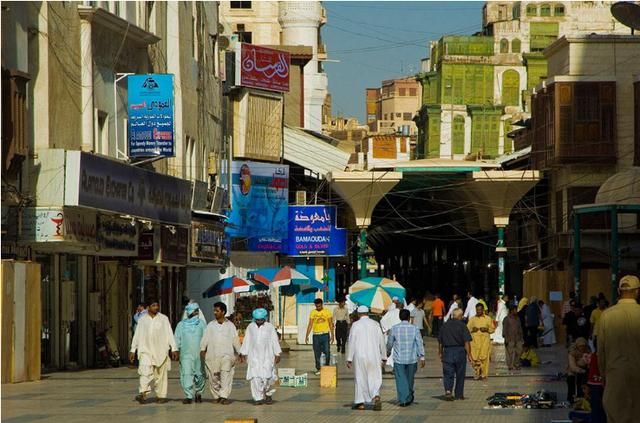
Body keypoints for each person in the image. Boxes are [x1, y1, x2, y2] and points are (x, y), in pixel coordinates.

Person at [596, 274, 640, 423]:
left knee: (615, 415)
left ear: (618, 291)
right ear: (637, 291)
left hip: (615, 375)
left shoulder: (606, 315)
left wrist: (603, 376)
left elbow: (600, 351)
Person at [129, 299, 178, 404]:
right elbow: (137, 335)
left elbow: (169, 333)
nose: (156, 307)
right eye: (153, 305)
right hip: (145, 351)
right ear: (148, 307)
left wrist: (174, 348)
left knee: (161, 375)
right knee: (144, 372)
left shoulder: (163, 319)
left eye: (157, 305)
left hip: (161, 350)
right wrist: (133, 349)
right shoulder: (142, 320)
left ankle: (161, 396)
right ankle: (143, 393)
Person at [200, 302, 241, 405]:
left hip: (227, 355)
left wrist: (240, 352)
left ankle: (224, 396)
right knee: (214, 377)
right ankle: (217, 395)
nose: (215, 313)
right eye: (214, 311)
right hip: (212, 355)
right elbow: (205, 338)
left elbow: (235, 340)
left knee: (225, 374)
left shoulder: (230, 326)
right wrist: (202, 349)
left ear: (223, 312)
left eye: (217, 311)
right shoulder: (210, 325)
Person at [347, 305, 386, 411]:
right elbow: (381, 341)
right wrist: (384, 356)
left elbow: (351, 342)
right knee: (374, 377)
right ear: (368, 313)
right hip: (374, 355)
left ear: (359, 314)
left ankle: (360, 403)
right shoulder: (375, 324)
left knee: (360, 378)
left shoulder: (355, 325)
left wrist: (349, 358)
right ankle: (376, 396)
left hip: (360, 355)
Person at [239, 308, 282, 405]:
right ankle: (257, 398)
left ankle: (267, 393)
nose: (259, 322)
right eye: (257, 320)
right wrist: (242, 353)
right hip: (254, 357)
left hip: (267, 356)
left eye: (261, 320)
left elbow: (274, 340)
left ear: (265, 318)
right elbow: (247, 340)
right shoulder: (250, 327)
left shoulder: (270, 327)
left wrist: (277, 353)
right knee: (255, 378)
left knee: (268, 377)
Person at [386, 309, 425, 407]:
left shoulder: (394, 328)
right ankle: (408, 396)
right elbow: (419, 342)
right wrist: (422, 357)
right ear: (408, 318)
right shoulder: (415, 328)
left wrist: (387, 351)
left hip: (399, 359)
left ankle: (404, 399)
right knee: (410, 379)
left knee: (400, 379)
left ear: (400, 317)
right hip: (412, 359)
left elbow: (390, 343)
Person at [174, 302, 206, 404]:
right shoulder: (181, 325)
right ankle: (188, 395)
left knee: (199, 374)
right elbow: (177, 338)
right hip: (185, 354)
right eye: (195, 310)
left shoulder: (201, 324)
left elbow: (206, 338)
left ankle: (199, 392)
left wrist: (206, 349)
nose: (196, 312)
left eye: (197, 310)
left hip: (199, 354)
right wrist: (176, 350)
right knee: (186, 374)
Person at [438, 308, 473, 401]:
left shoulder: (444, 326)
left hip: (447, 351)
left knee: (448, 373)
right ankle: (459, 394)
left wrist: (440, 352)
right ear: (459, 316)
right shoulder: (462, 326)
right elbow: (466, 341)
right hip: (460, 351)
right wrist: (469, 355)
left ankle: (448, 390)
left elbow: (440, 342)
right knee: (460, 373)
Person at [305, 298, 334, 375]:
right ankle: (318, 368)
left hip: (325, 334)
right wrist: (307, 335)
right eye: (317, 306)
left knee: (327, 351)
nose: (318, 308)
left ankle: (326, 367)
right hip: (316, 335)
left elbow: (331, 324)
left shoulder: (327, 311)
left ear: (322, 304)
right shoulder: (313, 312)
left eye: (319, 306)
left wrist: (332, 335)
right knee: (317, 352)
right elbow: (310, 324)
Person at [467, 303, 494, 380]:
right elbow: (466, 329)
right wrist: (472, 330)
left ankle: (484, 374)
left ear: (483, 310)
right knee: (475, 359)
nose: (478, 311)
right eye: (477, 310)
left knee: (484, 358)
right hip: (475, 342)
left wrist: (486, 329)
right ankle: (477, 373)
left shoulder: (488, 318)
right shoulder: (472, 319)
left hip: (485, 342)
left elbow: (492, 329)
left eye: (480, 310)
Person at [566, 337, 591, 403]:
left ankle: (581, 396)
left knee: (582, 382)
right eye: (580, 346)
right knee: (571, 379)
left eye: (583, 346)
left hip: (583, 370)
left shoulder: (587, 351)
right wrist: (580, 369)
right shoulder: (572, 352)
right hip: (573, 370)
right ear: (577, 346)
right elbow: (572, 366)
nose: (582, 348)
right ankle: (571, 397)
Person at [502, 304, 524, 371]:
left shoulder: (518, 318)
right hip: (510, 338)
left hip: (518, 338)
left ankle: (516, 364)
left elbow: (520, 328)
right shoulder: (506, 319)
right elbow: (505, 329)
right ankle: (510, 365)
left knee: (519, 351)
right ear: (511, 311)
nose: (516, 311)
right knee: (509, 353)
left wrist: (522, 337)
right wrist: (506, 338)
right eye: (515, 310)